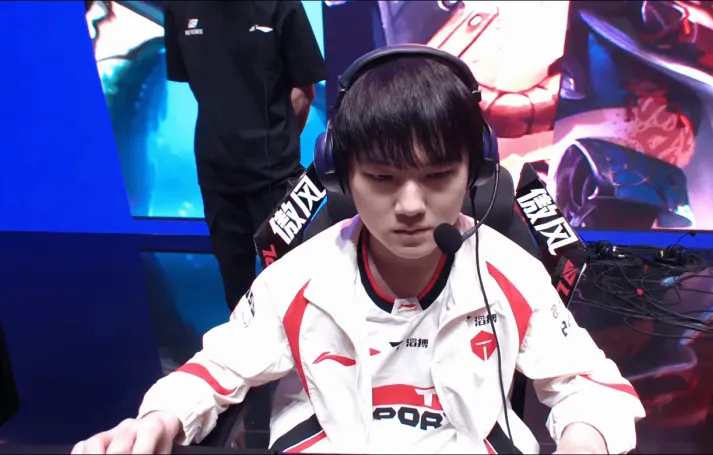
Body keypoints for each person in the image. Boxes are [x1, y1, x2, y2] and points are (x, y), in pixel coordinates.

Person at [72, 46, 645, 454]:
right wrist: (158, 420)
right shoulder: (298, 276)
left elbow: (592, 387)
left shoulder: (509, 272)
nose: (411, 205)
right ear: (341, 176)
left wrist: (584, 440)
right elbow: (216, 369)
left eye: (438, 176)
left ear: (475, 173)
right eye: (382, 178)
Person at [163, 1, 327, 311]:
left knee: (291, 290)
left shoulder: (280, 4)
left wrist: (277, 144)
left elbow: (304, 90)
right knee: (236, 294)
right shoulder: (179, 7)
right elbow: (197, 80)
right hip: (216, 175)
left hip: (276, 177)